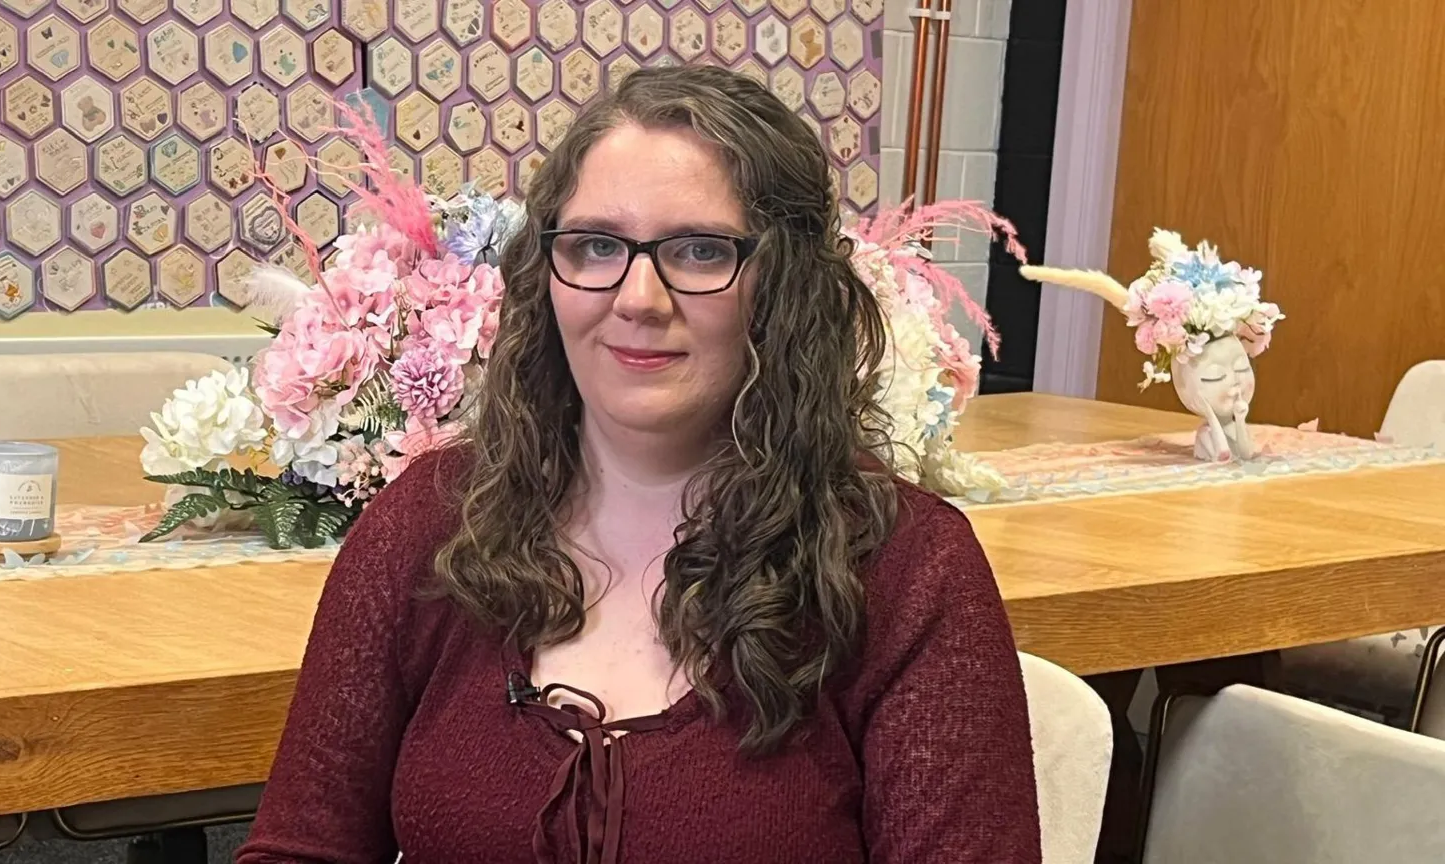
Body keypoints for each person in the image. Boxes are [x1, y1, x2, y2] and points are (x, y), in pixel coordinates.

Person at [237, 65, 1040, 864]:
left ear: (784, 286)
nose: (638, 298)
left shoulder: (909, 573)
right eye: (595, 246)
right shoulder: (428, 526)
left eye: (697, 251)